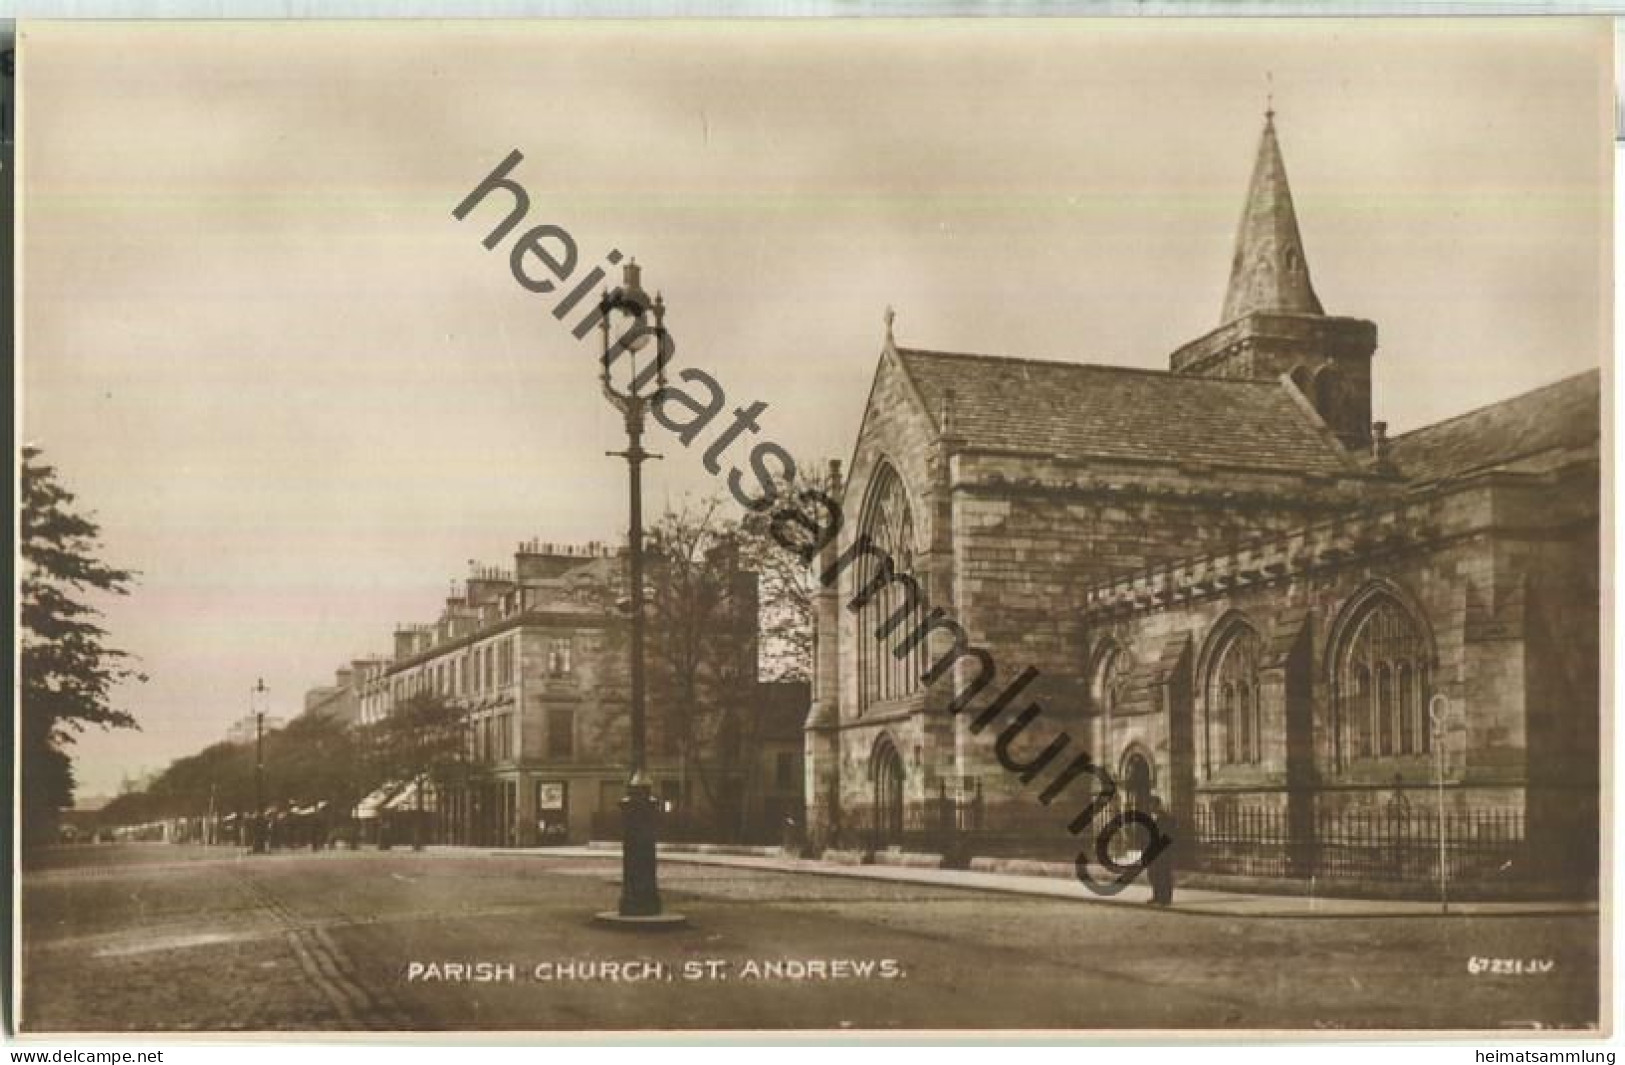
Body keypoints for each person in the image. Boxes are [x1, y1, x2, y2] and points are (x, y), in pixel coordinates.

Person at [1146, 794, 1179, 906]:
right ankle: (1156, 896)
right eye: (1150, 805)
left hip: (1164, 851)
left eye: (1153, 805)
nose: (1151, 807)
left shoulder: (1167, 818)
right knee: (1153, 874)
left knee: (1164, 874)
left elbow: (1170, 834)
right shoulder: (1151, 818)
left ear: (1157, 805)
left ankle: (1165, 899)